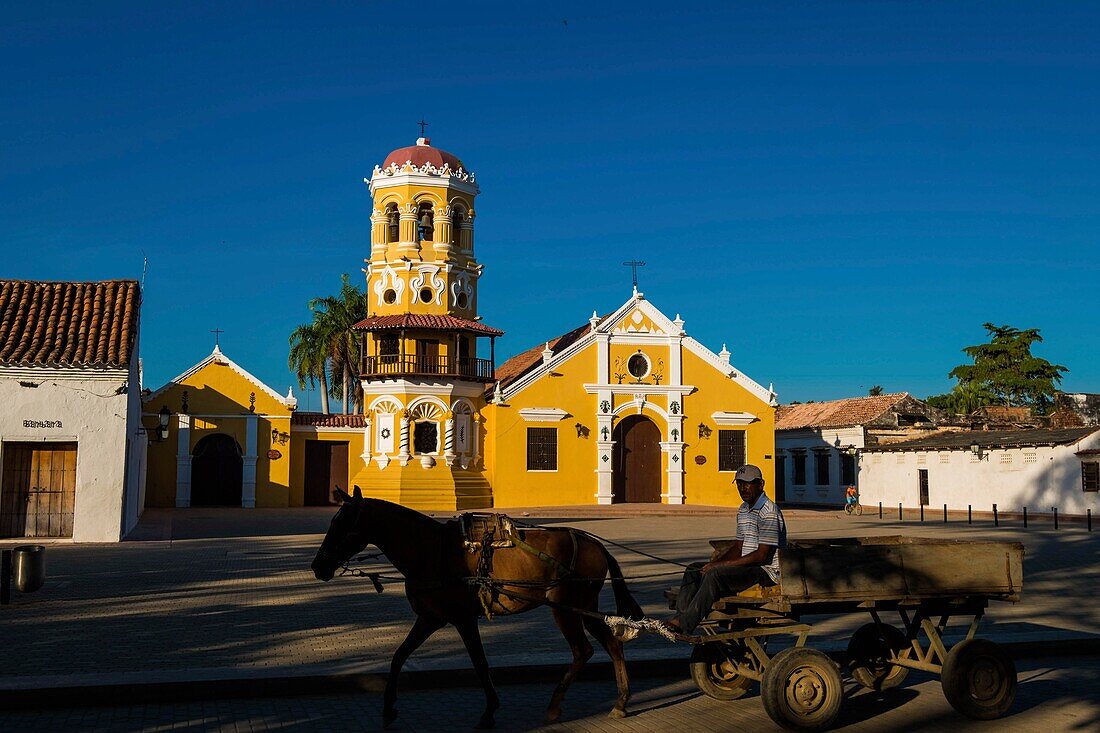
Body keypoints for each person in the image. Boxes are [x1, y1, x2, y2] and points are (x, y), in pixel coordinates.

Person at [667, 464, 786, 634]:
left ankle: (685, 624)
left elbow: (761, 555)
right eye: (739, 484)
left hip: (765, 571)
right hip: (747, 567)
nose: (743, 488)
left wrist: (717, 567)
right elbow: (738, 547)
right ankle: (679, 617)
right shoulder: (744, 509)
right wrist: (713, 563)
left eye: (748, 483)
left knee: (715, 575)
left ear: (760, 484)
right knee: (694, 569)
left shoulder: (769, 512)